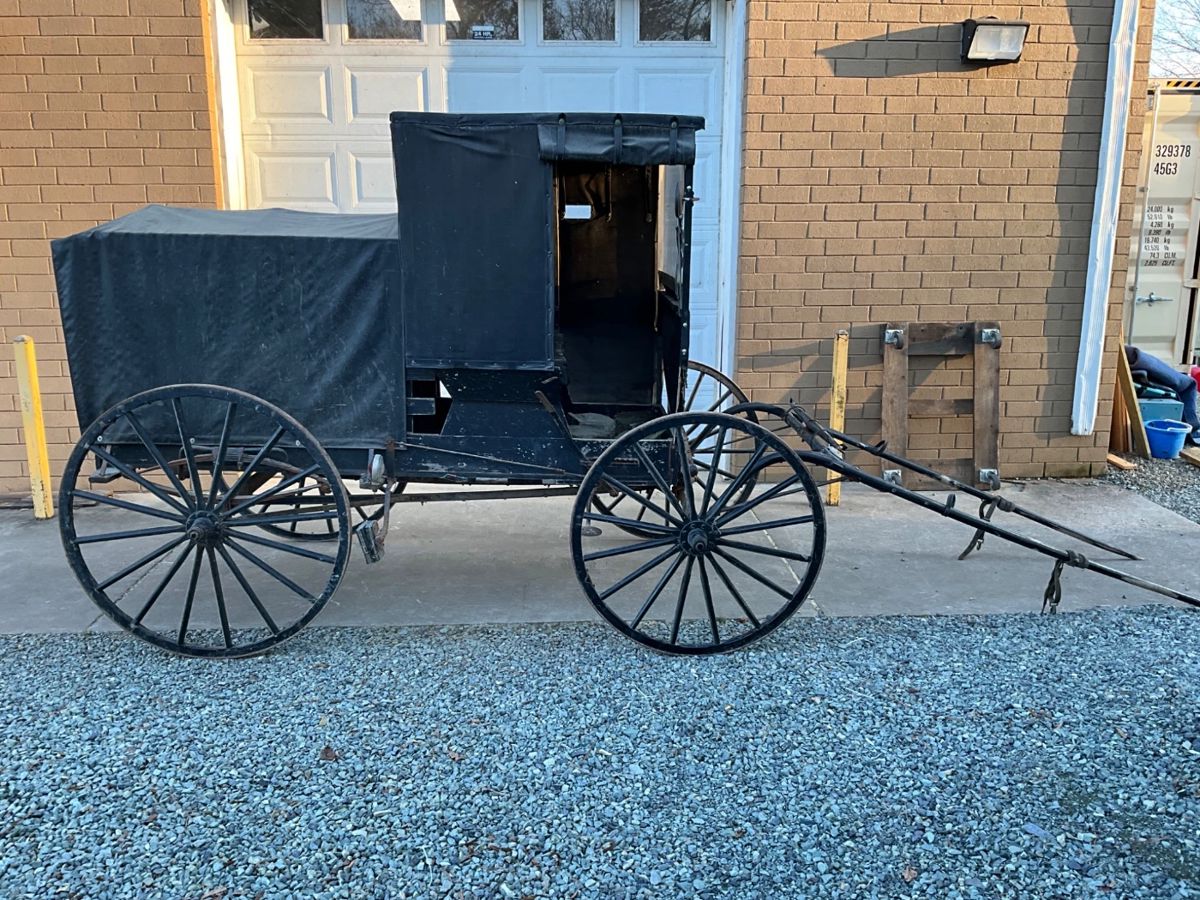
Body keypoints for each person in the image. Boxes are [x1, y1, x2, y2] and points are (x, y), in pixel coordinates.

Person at [1125, 345, 1200, 446]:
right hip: (1134, 359)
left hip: (1133, 359)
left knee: (1185, 383)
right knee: (1187, 384)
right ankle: (1193, 429)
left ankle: (1192, 429)